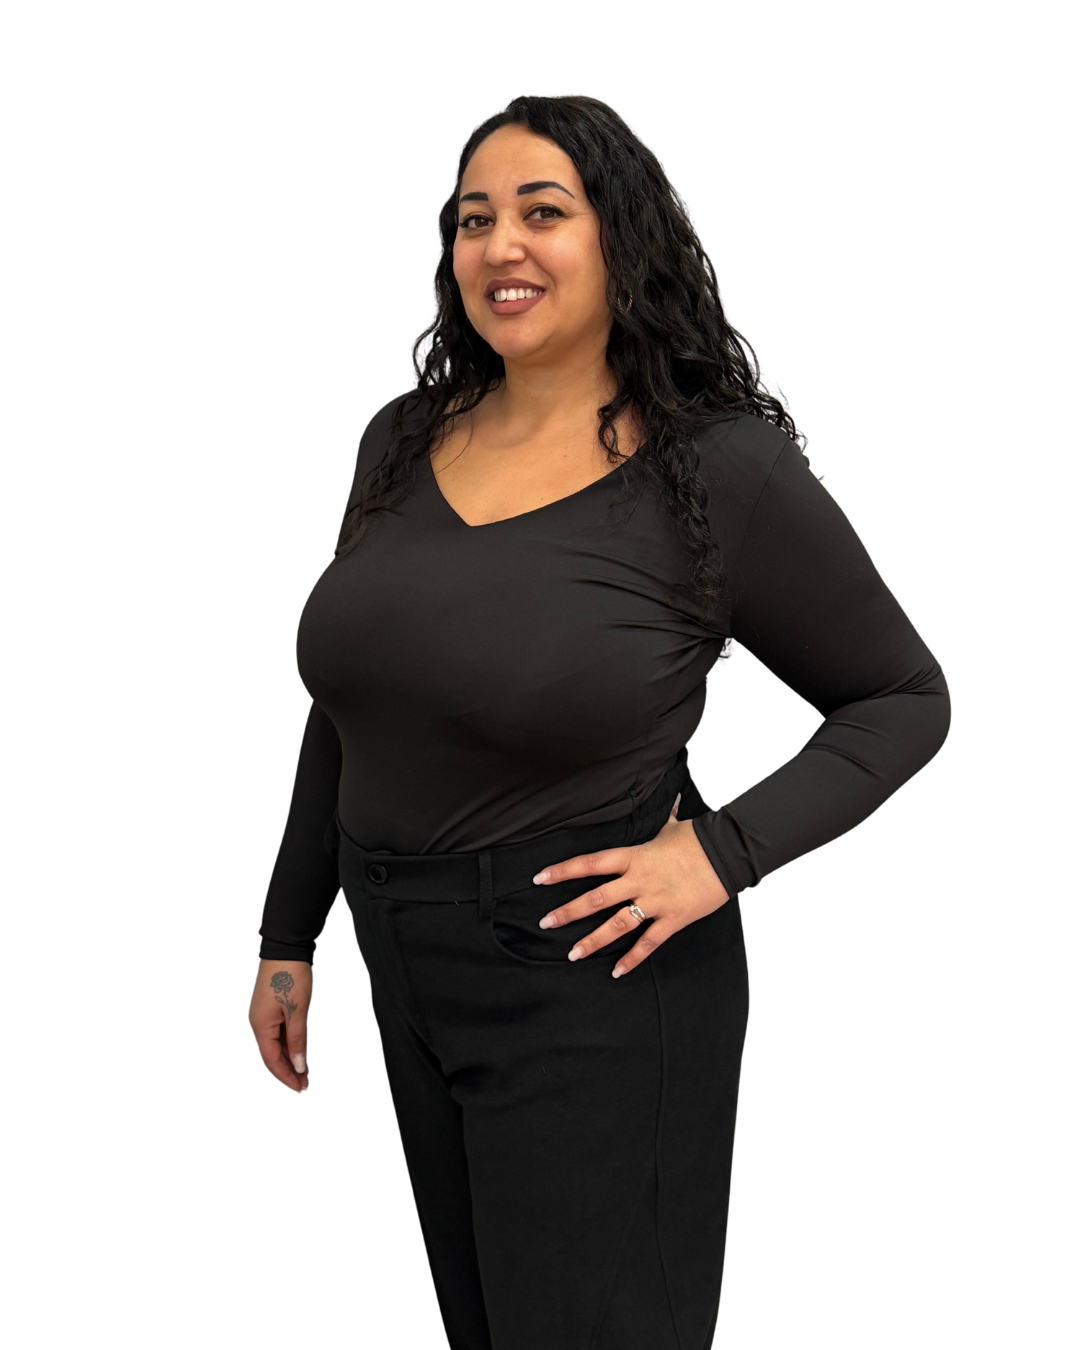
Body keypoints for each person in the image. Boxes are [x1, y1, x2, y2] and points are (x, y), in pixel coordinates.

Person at [248, 95, 950, 1350]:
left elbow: (901, 699)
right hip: (407, 961)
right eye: (474, 219)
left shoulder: (716, 467)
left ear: (621, 240)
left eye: (543, 212)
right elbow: (355, 704)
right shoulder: (403, 441)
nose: (500, 245)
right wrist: (288, 932)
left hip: (594, 980)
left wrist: (720, 855)